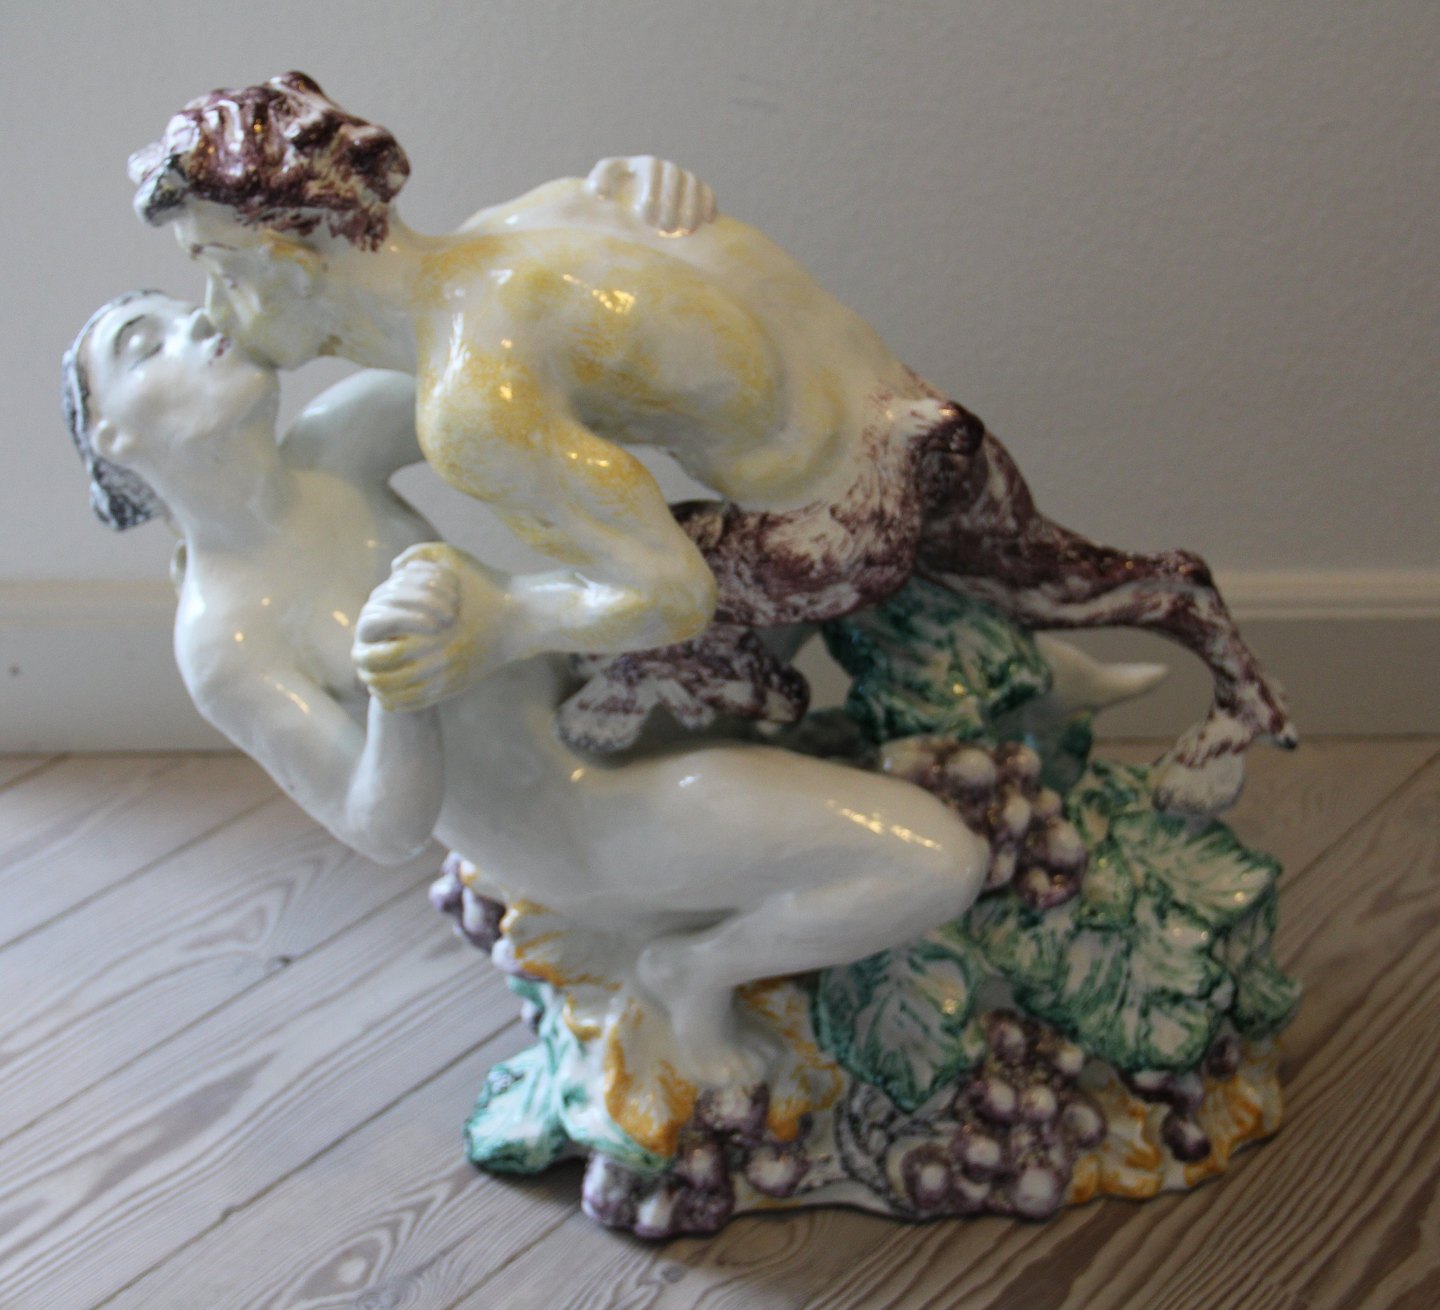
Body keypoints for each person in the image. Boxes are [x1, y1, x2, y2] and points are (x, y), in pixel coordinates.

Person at [130, 72, 1294, 814]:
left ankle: (785, 745)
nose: (210, 311)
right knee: (1056, 575)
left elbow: (669, 594)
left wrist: (500, 621)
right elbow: (672, 234)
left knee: (608, 671)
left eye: (207, 268)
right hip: (919, 419)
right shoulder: (538, 210)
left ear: (282, 255)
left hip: (839, 518)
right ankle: (1214, 689)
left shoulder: (473, 400)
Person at [63, 291, 997, 1087]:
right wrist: (402, 680)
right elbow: (380, 825)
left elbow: (494, 349)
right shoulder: (227, 640)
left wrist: (623, 211)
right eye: (147, 345)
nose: (201, 326)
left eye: (188, 310)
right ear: (115, 437)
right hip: (580, 816)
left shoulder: (332, 449)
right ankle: (693, 969)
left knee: (829, 524)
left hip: (614, 685)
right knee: (934, 866)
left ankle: (984, 688)